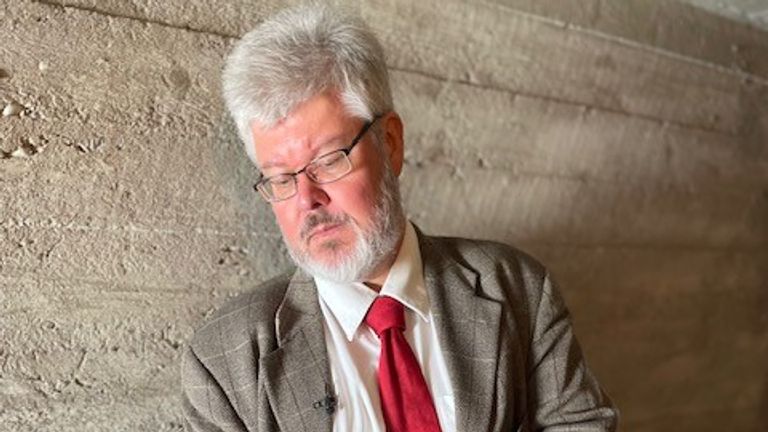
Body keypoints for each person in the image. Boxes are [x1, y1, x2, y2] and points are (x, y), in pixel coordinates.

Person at [180, 4, 618, 432]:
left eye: (329, 161)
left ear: (390, 144)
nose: (307, 200)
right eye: (280, 178)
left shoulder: (518, 288)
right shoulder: (224, 361)